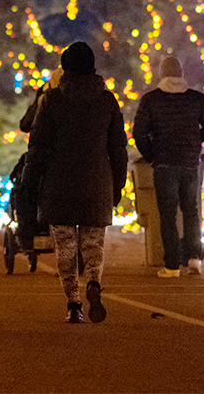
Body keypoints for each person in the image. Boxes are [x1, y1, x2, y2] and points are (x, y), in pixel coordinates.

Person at [23, 41, 127, 324]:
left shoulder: (52, 100)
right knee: (93, 245)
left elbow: (38, 148)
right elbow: (118, 148)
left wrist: (29, 182)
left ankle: (74, 304)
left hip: (59, 186)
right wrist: (116, 184)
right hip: (97, 183)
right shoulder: (107, 101)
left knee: (66, 248)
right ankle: (93, 281)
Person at [132, 55, 204, 277]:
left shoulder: (151, 100)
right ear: (181, 74)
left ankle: (171, 265)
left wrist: (152, 155)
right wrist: (195, 140)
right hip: (191, 164)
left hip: (164, 165)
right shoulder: (196, 99)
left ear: (162, 74)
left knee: (168, 215)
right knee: (192, 212)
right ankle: (194, 258)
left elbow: (139, 133)